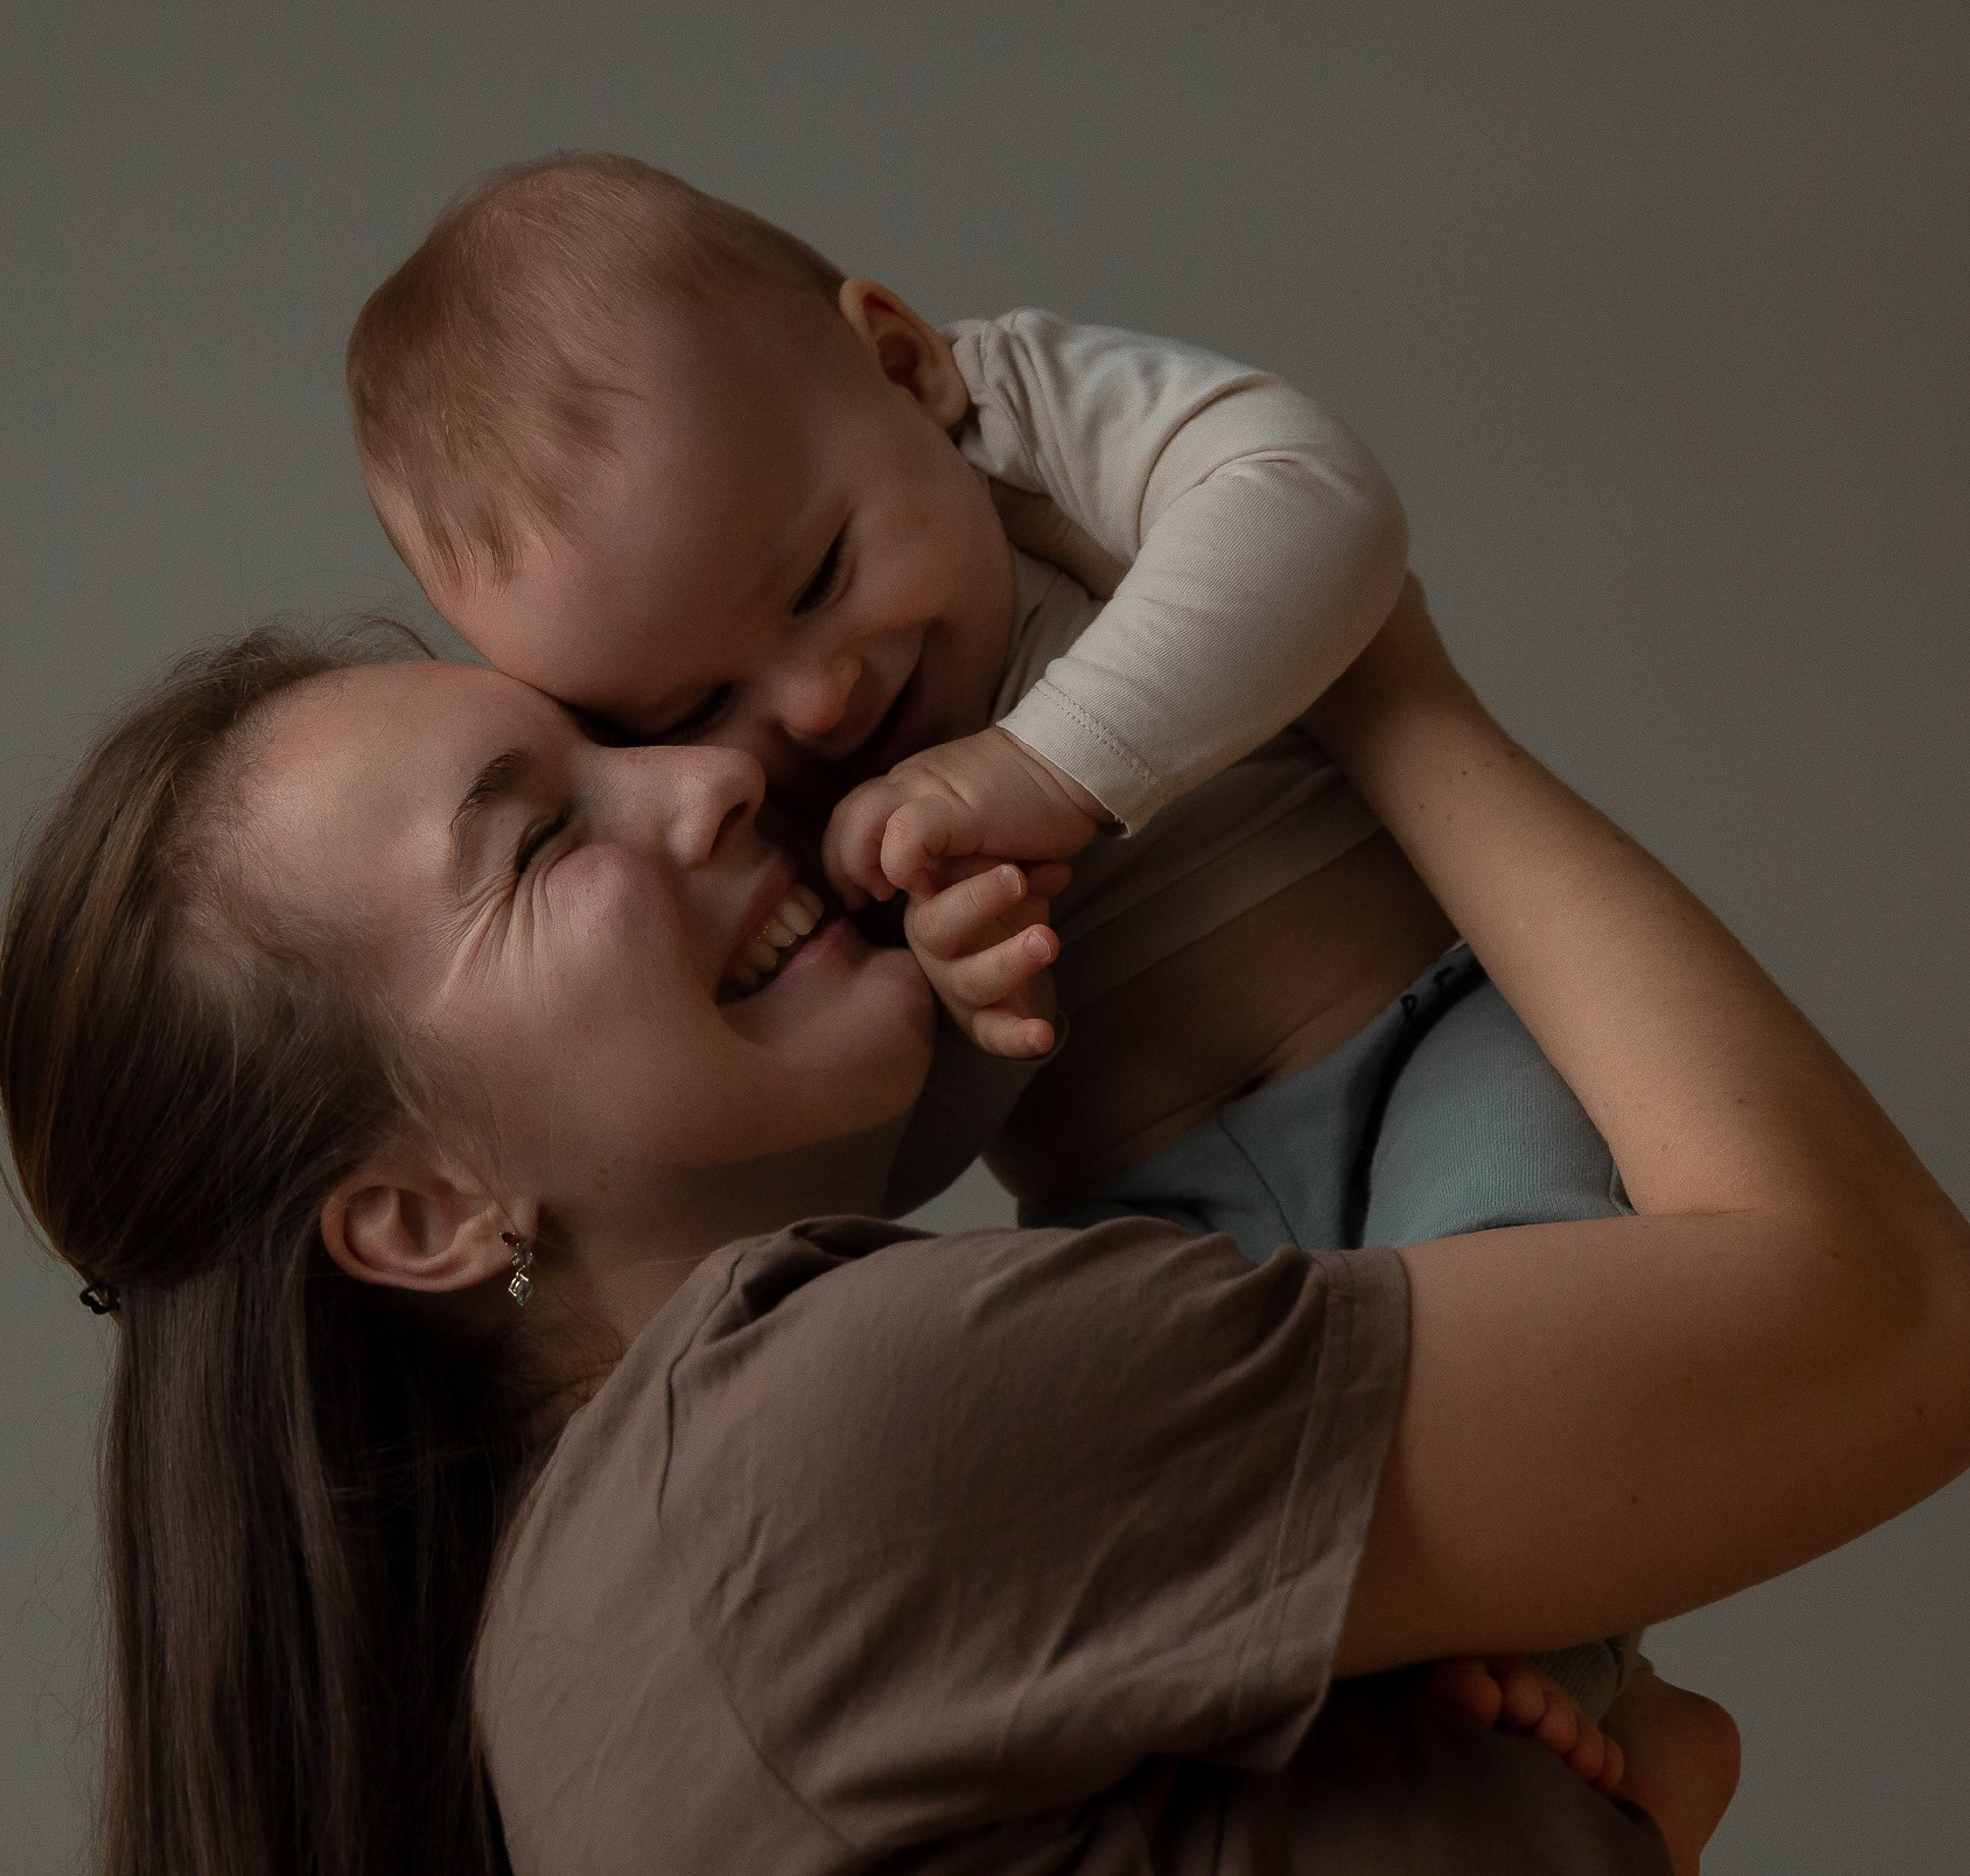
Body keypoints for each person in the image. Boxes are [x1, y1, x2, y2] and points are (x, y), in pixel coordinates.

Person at [0, 581, 1970, 1875]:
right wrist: (1366, 667)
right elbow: (1891, 1324)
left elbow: (1669, 1758)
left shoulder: (596, 1660)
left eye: (622, 735)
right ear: (418, 1213)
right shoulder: (818, 1446)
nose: (706, 777)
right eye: (539, 835)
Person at [345, 152, 1639, 1709]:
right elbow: (883, 1137)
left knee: (1538, 1291)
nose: (814, 702)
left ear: (899, 363)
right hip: (1135, 1201)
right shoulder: (779, 808)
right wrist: (954, 1003)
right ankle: (1451, 1733)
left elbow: (1318, 509)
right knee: (1208, 1542)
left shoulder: (1021, 417)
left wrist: (1051, 765)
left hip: (1425, 1028)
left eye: (820, 576)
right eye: (693, 708)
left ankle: (1573, 1673)